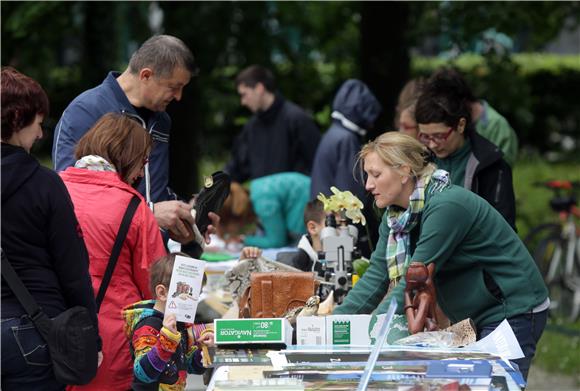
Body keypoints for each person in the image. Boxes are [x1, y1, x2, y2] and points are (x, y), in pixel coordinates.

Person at [333, 132, 549, 381]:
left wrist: (372, 333)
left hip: (513, 308)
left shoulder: (445, 206)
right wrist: (333, 326)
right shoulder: (395, 218)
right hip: (478, 313)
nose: (368, 185)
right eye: (368, 175)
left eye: (376, 174)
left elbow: (413, 281)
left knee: (496, 386)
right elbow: (375, 278)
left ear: (404, 171)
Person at [1, 67, 100, 390]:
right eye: (38, 123)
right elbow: (73, 271)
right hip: (31, 331)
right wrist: (91, 339)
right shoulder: (45, 185)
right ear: (17, 119)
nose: (41, 134)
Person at [52, 34, 201, 243]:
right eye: (173, 87)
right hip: (105, 257)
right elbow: (69, 194)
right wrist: (147, 213)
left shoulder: (162, 119)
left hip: (153, 256)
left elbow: (154, 187)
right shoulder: (85, 110)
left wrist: (187, 215)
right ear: (146, 75)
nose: (178, 97)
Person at [60, 113, 168, 390]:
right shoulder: (132, 206)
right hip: (112, 342)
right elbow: (154, 285)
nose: (140, 172)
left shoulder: (53, 189)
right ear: (127, 156)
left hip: (54, 333)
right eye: (143, 161)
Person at [414, 68, 516, 228]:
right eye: (425, 136)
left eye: (439, 136)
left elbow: (504, 228)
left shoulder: (491, 166)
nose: (432, 145)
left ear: (461, 125)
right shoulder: (419, 160)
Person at [123, 253, 214, 391]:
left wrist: (205, 350)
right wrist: (166, 341)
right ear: (162, 293)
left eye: (197, 295)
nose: (194, 303)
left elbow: (188, 365)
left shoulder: (180, 323)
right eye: (189, 294)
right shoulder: (148, 326)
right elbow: (143, 373)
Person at [225, 65, 321, 183]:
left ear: (259, 88)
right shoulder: (251, 128)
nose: (243, 102)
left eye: (244, 94)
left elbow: (319, 166)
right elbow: (237, 168)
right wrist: (211, 191)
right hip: (261, 201)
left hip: (297, 200)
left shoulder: (297, 119)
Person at [221, 172, 311, 249]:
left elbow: (277, 242)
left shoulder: (264, 204)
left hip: (308, 212)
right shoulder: (255, 189)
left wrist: (243, 239)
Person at [276, 199, 326, 272]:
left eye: (345, 223)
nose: (343, 229)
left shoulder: (347, 263)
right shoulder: (288, 267)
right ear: (313, 228)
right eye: (335, 224)